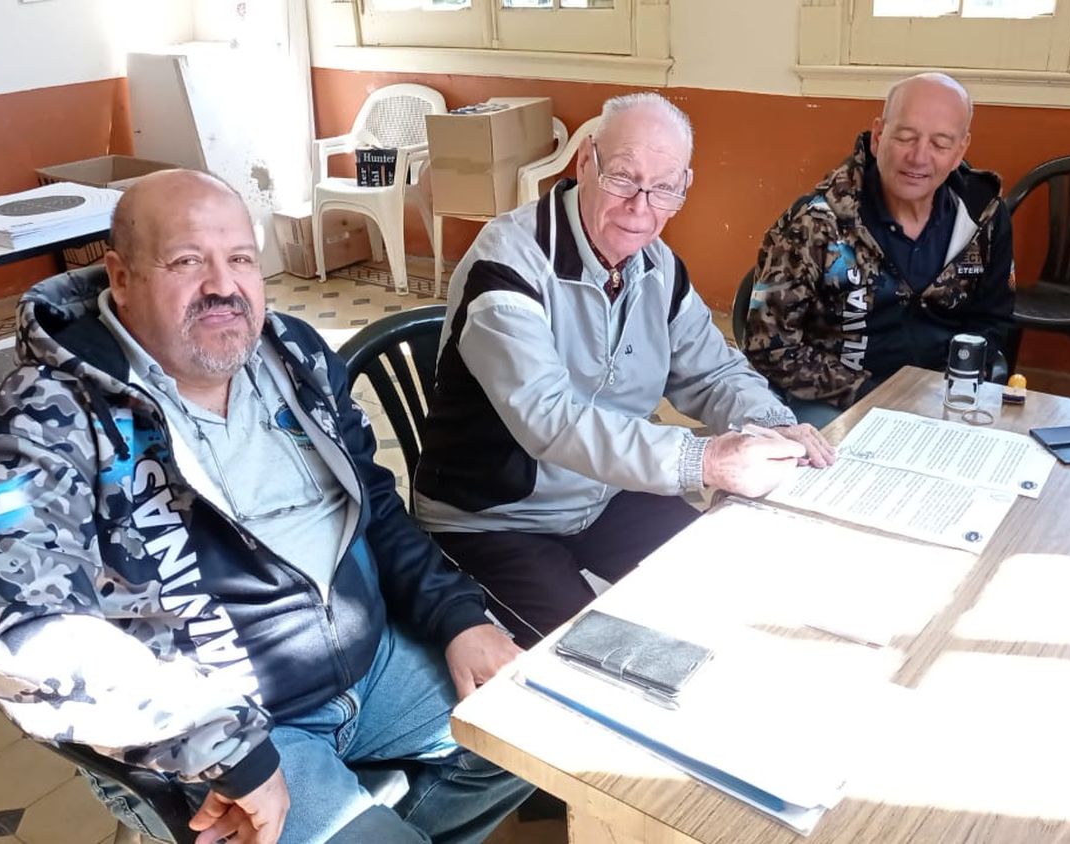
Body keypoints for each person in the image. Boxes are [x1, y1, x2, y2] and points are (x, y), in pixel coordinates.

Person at [0, 169, 531, 844]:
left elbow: (371, 499)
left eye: (240, 260)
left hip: (374, 666)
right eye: (186, 261)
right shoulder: (51, 416)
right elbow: (17, 632)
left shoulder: (294, 355)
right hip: (232, 723)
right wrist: (221, 745)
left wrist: (457, 616)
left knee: (538, 732)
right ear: (119, 275)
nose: (223, 287)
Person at [413, 93, 834, 649]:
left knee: (729, 582)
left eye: (664, 188)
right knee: (596, 654)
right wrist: (702, 459)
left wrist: (771, 422)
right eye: (623, 178)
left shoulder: (657, 266)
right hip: (497, 518)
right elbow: (552, 421)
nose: (642, 205)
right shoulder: (507, 262)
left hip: (605, 495)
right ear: (586, 161)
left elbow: (711, 372)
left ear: (684, 185)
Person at [743, 72, 1015, 427]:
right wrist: (877, 396)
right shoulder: (815, 223)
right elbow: (770, 346)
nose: (919, 157)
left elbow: (993, 320)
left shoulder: (984, 216)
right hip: (840, 402)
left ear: (960, 150)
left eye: (940, 144)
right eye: (905, 137)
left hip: (944, 397)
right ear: (878, 136)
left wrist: (953, 386)